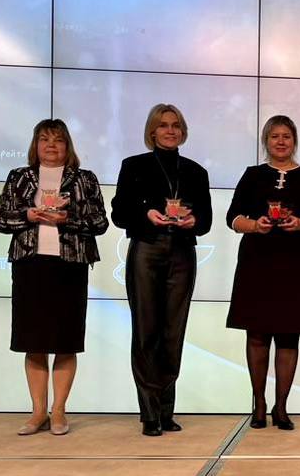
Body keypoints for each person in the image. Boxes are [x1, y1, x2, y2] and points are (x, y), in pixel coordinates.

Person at [0, 118, 108, 436]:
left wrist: (67, 218)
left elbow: (100, 222)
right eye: (45, 139)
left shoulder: (84, 179)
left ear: (67, 145)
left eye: (58, 140)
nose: (51, 145)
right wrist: (28, 215)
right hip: (30, 265)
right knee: (34, 341)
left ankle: (59, 411)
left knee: (65, 341)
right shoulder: (19, 177)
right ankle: (38, 412)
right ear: (36, 145)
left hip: (70, 266)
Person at [111, 103, 212, 437]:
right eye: (164, 125)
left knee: (173, 333)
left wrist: (193, 220)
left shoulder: (196, 171)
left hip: (182, 252)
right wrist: (147, 214)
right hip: (147, 249)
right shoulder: (134, 166)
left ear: (183, 131)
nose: (171, 130)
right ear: (152, 131)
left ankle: (166, 410)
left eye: (176, 125)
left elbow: (207, 221)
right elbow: (119, 213)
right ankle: (150, 413)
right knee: (146, 331)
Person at [226, 115, 300, 431]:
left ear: (294, 141)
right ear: (266, 141)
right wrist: (254, 225)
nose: (281, 141)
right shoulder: (253, 175)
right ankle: (260, 403)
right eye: (275, 136)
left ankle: (282, 407)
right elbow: (232, 217)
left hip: (295, 263)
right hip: (257, 262)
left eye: (286, 136)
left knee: (289, 335)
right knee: (257, 334)